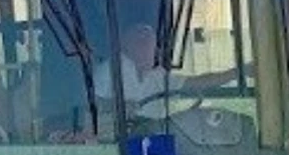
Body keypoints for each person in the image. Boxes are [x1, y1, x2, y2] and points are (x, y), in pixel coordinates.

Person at [94, 22, 252, 105]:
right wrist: (118, 109)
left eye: (149, 42)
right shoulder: (109, 70)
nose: (146, 46)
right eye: (139, 41)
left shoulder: (158, 76)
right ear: (124, 45)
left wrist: (238, 72)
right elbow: (93, 106)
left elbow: (197, 83)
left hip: (157, 138)